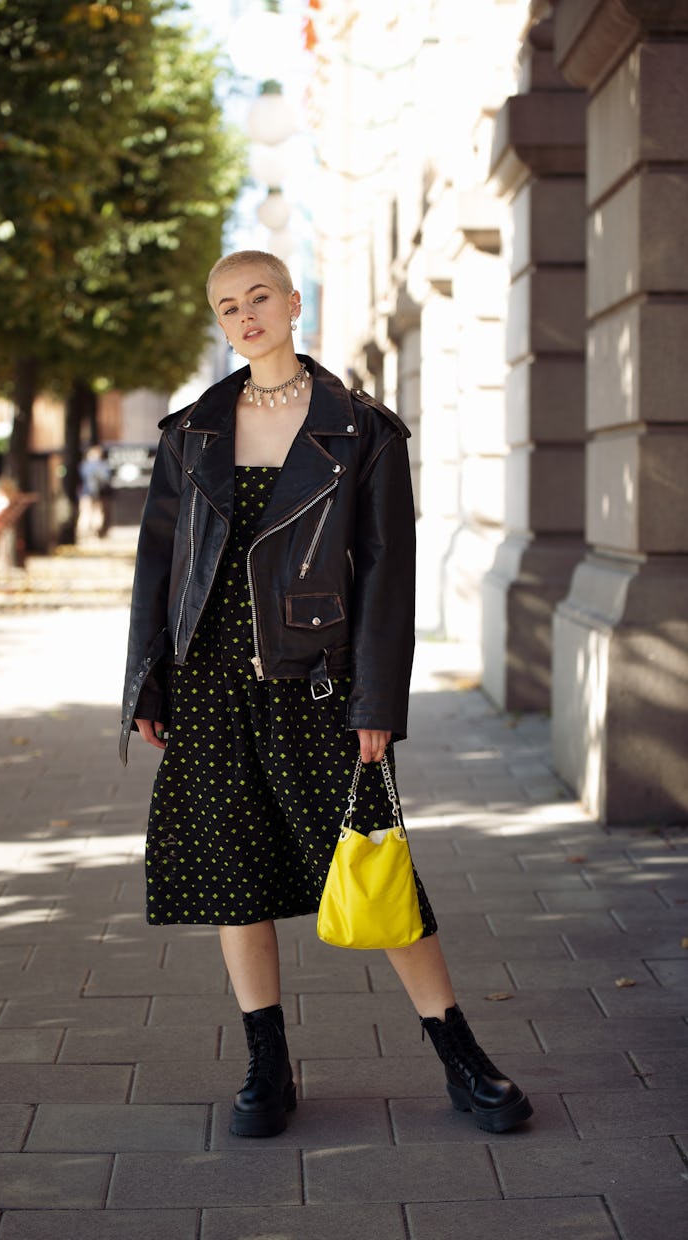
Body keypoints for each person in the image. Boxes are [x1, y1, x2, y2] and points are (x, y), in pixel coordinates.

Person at [120, 250, 532, 1139]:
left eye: (259, 296)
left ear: (295, 302)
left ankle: (460, 1053)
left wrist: (377, 700)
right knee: (235, 872)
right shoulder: (191, 429)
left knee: (373, 863)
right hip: (208, 683)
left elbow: (388, 573)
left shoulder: (363, 429)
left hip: (315, 681)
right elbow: (159, 564)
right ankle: (267, 1064)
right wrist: (148, 677)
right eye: (227, 305)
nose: (245, 315)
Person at [78, 444, 113, 539]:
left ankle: (83, 535)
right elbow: (107, 479)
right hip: (99, 494)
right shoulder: (103, 466)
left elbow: (80, 479)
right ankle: (95, 534)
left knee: (85, 513)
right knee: (97, 513)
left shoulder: (84, 466)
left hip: (85, 493)